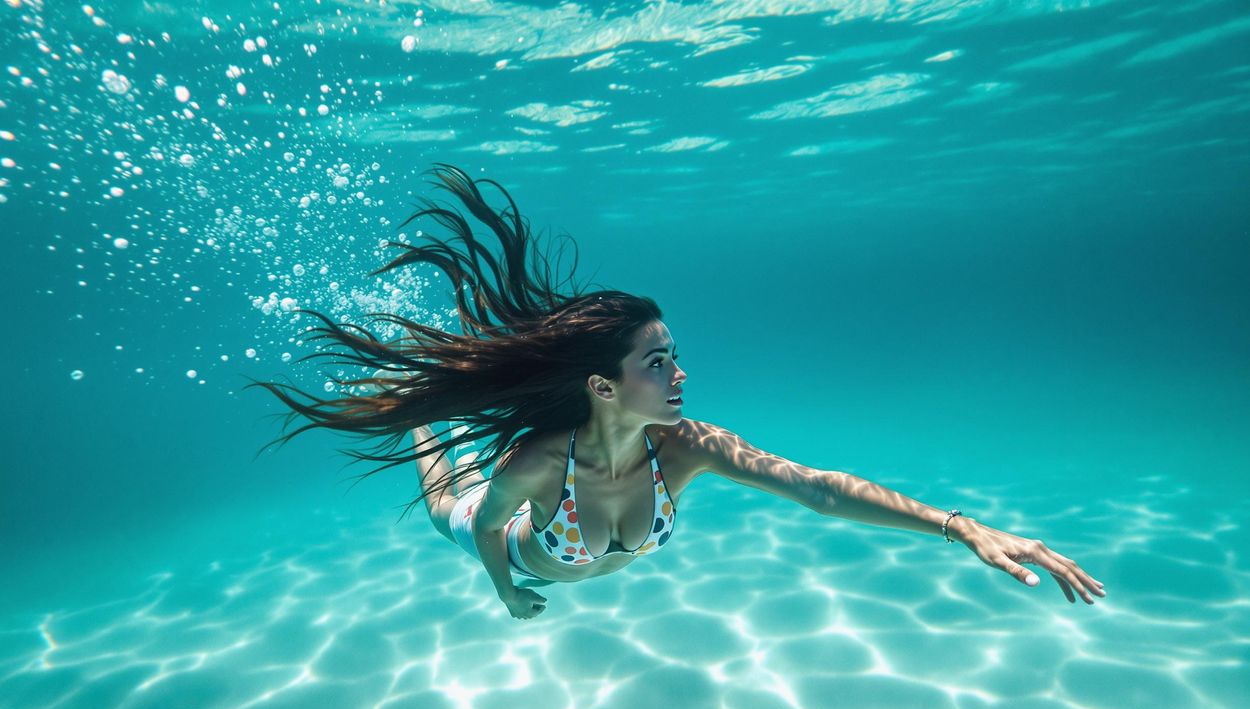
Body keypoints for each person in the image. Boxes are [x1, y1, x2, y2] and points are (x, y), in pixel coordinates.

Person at [249, 163, 1106, 621]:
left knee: (466, 468)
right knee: (448, 490)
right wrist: (504, 589)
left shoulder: (688, 448)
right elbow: (480, 525)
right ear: (603, 386)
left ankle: (428, 409)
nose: (680, 375)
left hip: (554, 524)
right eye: (658, 361)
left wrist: (960, 527)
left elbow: (816, 488)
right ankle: (418, 418)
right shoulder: (541, 463)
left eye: (675, 356)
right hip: (502, 528)